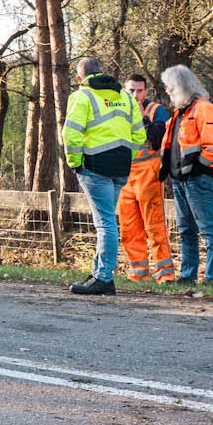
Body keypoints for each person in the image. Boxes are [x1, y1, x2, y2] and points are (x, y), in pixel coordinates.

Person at [61, 57, 145, 296]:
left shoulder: (82, 96)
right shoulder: (126, 98)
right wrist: (124, 156)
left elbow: (71, 134)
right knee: (107, 220)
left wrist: (75, 163)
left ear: (80, 78)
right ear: (101, 72)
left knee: (105, 223)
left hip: (94, 166)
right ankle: (99, 272)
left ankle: (104, 278)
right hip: (120, 167)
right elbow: (139, 136)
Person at [162, 64, 213, 284]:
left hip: (197, 179)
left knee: (207, 229)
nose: (168, 91)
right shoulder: (180, 113)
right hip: (180, 179)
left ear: (181, 86)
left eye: (170, 87)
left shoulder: (204, 109)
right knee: (186, 230)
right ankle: (187, 276)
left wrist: (198, 167)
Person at [116, 73, 173, 282]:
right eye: (131, 90)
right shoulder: (117, 111)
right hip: (124, 175)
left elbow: (158, 138)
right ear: (124, 90)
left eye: (139, 91)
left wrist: (141, 118)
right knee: (129, 229)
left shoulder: (156, 111)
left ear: (146, 91)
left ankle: (165, 274)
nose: (135, 95)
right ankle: (138, 274)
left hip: (149, 174)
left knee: (155, 225)